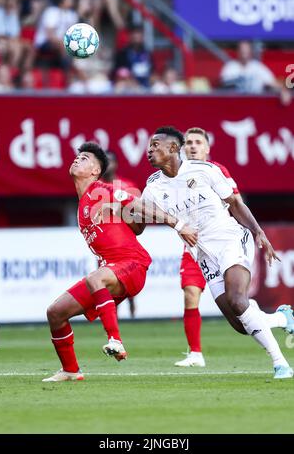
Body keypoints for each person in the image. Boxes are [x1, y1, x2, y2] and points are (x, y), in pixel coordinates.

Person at [137, 126, 294, 379]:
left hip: (231, 238)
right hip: (203, 253)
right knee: (241, 324)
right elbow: (140, 211)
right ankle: (281, 319)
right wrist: (171, 222)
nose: (150, 150)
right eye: (150, 146)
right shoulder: (153, 186)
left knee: (238, 299)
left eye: (156, 145)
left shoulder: (206, 170)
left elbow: (234, 203)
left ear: (174, 148)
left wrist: (257, 231)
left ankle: (281, 364)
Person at [43, 142, 197, 382]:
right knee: (55, 312)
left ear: (95, 170)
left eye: (84, 158)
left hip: (133, 264)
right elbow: (136, 225)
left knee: (96, 277)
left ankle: (115, 339)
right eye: (77, 156)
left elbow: (140, 207)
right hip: (113, 270)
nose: (77, 160)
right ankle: (70, 370)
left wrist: (177, 224)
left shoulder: (102, 190)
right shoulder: (84, 202)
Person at [175, 127, 242, 368]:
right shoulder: (175, 175)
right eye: (189, 143)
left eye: (198, 142)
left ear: (207, 148)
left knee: (238, 309)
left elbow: (235, 201)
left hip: (222, 245)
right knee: (190, 293)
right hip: (193, 248)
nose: (192, 146)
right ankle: (195, 354)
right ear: (182, 148)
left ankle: (274, 322)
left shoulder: (216, 170)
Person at [101, 150, 140, 318]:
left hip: (125, 240)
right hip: (105, 243)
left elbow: (138, 213)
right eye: (105, 161)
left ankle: (133, 318)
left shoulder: (127, 186)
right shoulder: (95, 187)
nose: (108, 164)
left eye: (111, 161)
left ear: (116, 164)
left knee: (128, 285)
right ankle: (112, 322)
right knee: (106, 286)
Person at [220, 40, 291, 105]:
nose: (244, 54)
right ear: (238, 52)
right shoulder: (230, 67)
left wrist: (283, 91)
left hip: (256, 105)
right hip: (234, 105)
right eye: (242, 51)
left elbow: (272, 82)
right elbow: (222, 89)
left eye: (246, 51)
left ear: (250, 52)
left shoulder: (257, 67)